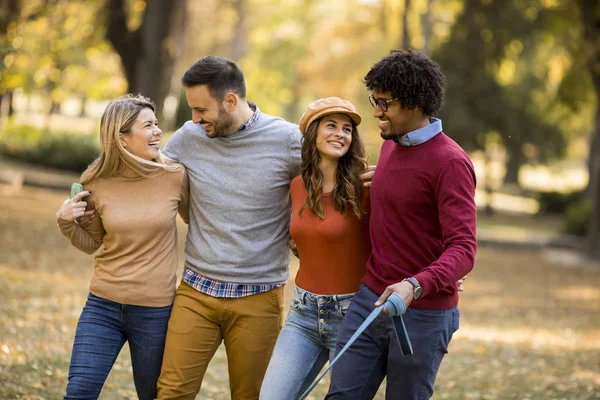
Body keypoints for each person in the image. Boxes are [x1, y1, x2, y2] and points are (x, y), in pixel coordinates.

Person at [325, 49, 477, 399]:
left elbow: (464, 249)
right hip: (370, 301)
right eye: (374, 100)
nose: (376, 111)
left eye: (384, 103)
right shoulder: (392, 146)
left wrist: (416, 284)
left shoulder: (451, 163)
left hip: (422, 316)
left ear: (414, 103)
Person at [155, 56, 303, 400]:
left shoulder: (287, 139)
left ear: (230, 101)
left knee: (252, 395)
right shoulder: (189, 138)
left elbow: (327, 181)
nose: (194, 118)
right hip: (196, 292)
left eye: (201, 109)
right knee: (172, 393)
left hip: (259, 296)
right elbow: (150, 175)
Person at [55, 95, 189, 400]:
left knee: (153, 395)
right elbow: (93, 243)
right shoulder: (95, 180)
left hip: (156, 312)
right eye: (148, 126)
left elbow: (195, 220)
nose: (157, 131)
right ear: (122, 138)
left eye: (156, 124)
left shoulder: (175, 176)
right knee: (79, 391)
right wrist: (65, 222)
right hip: (102, 306)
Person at [259, 97, 371, 400]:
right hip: (304, 312)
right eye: (331, 125)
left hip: (353, 314)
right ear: (312, 133)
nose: (341, 134)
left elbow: (400, 233)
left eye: (347, 129)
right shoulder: (297, 186)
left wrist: (436, 269)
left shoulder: (367, 186)